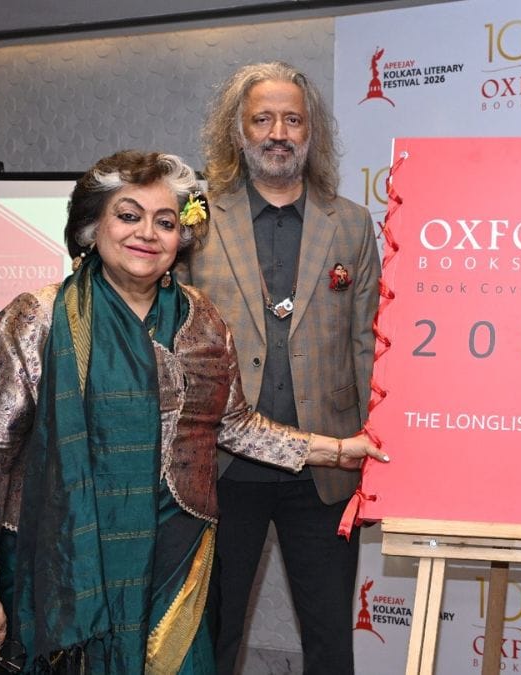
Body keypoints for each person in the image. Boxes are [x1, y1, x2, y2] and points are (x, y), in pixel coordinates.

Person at [0, 150, 388, 672]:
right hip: (65, 554)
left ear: (182, 238)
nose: (147, 234)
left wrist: (334, 450)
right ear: (92, 227)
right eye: (128, 216)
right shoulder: (37, 319)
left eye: (166, 221)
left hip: (176, 558)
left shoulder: (201, 322)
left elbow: (234, 425)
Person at [184, 62, 380, 674]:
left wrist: (374, 447)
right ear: (237, 131)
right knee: (212, 638)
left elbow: (369, 342)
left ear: (311, 132)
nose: (278, 132)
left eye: (292, 119)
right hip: (222, 470)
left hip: (326, 471)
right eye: (262, 118)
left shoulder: (349, 223)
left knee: (329, 643)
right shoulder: (194, 218)